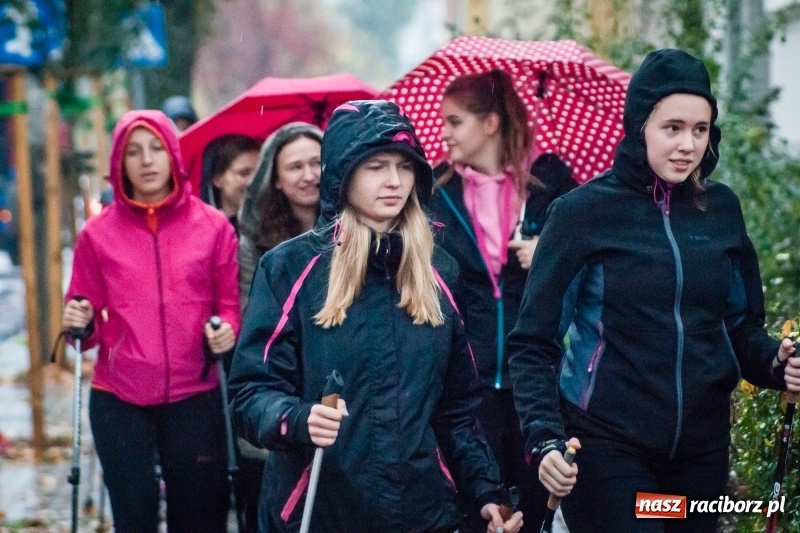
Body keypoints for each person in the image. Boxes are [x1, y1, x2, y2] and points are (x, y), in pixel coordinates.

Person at [507, 48, 800, 533]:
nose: (688, 144)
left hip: (698, 458)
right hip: (609, 450)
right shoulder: (582, 214)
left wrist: (777, 361)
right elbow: (532, 343)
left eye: (700, 130)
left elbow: (740, 329)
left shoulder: (721, 210)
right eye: (673, 128)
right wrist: (545, 441)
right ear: (639, 125)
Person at [229, 100, 523, 533]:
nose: (393, 181)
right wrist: (296, 417)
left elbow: (456, 410)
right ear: (342, 175)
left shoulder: (440, 271)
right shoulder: (290, 268)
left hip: (424, 514)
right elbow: (251, 392)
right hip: (321, 512)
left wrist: (486, 492)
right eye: (375, 167)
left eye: (405, 167)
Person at [62, 110, 241, 533]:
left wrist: (226, 328)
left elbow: (229, 306)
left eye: (157, 148)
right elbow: (81, 320)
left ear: (173, 154)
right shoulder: (97, 234)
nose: (146, 161)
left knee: (199, 518)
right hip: (119, 396)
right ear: (118, 163)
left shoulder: (213, 228)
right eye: (133, 152)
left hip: (194, 394)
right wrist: (79, 320)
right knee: (135, 516)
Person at [428, 69, 576, 532]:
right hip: (466, 382)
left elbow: (592, 273)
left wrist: (550, 256)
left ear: (490, 123)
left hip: (536, 379)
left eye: (455, 122)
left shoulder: (550, 184)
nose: (444, 133)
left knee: (536, 508)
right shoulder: (435, 192)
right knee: (479, 509)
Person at [238, 122, 323, 309]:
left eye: (317, 163)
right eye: (295, 167)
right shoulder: (255, 241)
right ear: (276, 179)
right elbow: (252, 308)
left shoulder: (354, 227)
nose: (309, 176)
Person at [201, 134, 261, 234]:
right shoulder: (207, 235)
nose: (254, 181)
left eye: (260, 172)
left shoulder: (279, 222)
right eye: (244, 173)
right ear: (217, 179)